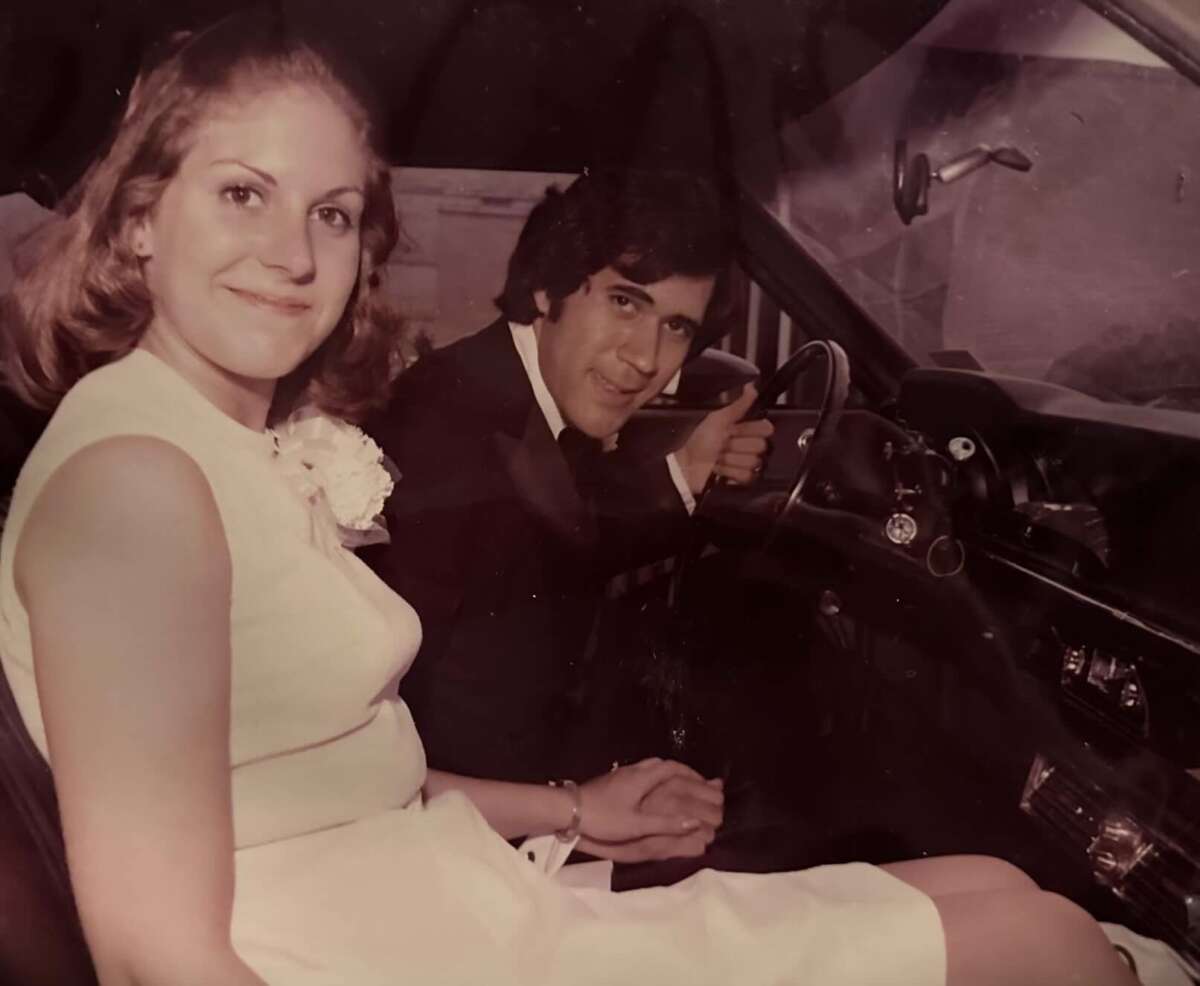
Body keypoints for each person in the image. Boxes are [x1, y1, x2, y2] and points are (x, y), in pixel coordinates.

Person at [0, 10, 1137, 985]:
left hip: (436, 904)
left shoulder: (211, 440)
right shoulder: (135, 488)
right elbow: (156, 956)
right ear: (140, 218)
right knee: (1043, 945)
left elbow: (314, 778)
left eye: (333, 213)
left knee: (1007, 895)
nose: (292, 255)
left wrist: (579, 808)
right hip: (366, 952)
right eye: (243, 192)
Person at [361, 170, 773, 800]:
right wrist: (576, 813)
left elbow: (562, 530)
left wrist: (686, 472)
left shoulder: (517, 389)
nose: (645, 358)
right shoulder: (446, 432)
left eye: (677, 328)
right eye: (625, 302)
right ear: (549, 289)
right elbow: (399, 721)